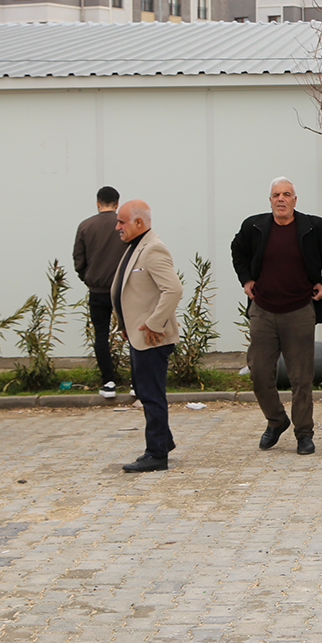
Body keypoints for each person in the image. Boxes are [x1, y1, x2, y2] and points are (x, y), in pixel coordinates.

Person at [230, 177, 322, 456]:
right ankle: (276, 420)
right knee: (258, 373)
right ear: (269, 200)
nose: (280, 199)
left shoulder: (312, 226)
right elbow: (238, 251)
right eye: (275, 195)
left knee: (301, 377)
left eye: (286, 194)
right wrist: (246, 279)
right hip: (263, 310)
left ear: (295, 200)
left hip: (299, 310)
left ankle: (304, 432)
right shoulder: (254, 226)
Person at [112, 199, 184, 473]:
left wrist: (154, 323)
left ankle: (156, 454)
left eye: (122, 222)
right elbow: (132, 291)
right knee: (145, 390)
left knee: (152, 394)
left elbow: (173, 290)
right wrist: (124, 322)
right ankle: (163, 441)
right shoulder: (136, 247)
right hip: (138, 335)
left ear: (138, 223)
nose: (117, 227)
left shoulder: (153, 249)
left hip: (152, 337)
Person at [72, 185, 123, 399]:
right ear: (117, 203)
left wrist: (87, 278)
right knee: (132, 333)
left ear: (97, 202)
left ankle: (108, 382)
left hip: (97, 290)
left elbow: (78, 260)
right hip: (123, 289)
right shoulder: (124, 225)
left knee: (100, 335)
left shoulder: (85, 226)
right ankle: (137, 383)